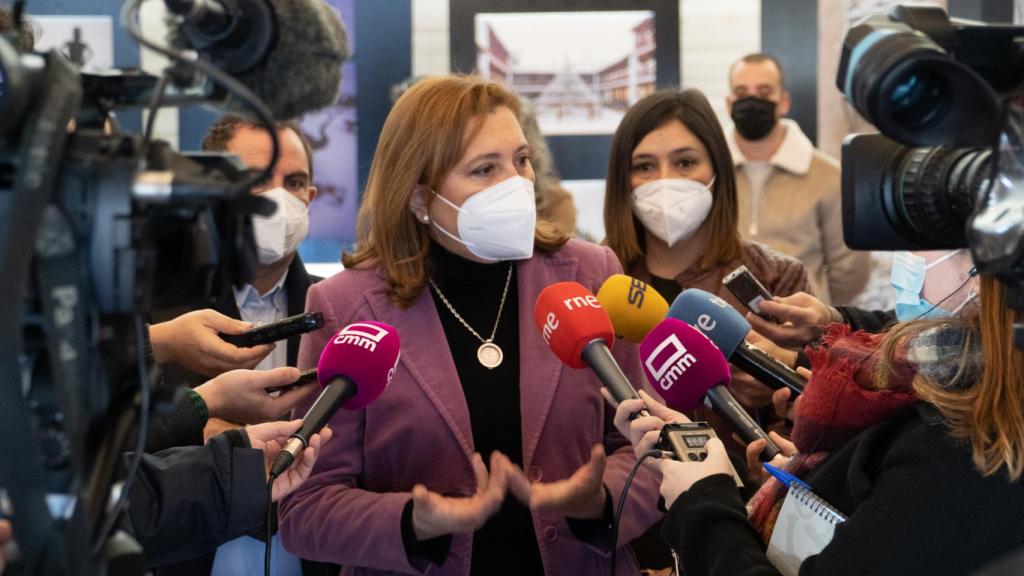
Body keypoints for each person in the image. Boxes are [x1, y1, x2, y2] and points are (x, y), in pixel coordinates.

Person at [278, 75, 661, 575]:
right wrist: (414, 522)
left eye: (521, 160)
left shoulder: (591, 275)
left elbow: (650, 447)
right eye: (484, 169)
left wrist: (601, 501)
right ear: (419, 198)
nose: (517, 184)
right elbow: (306, 509)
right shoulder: (344, 305)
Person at [608, 270, 1024, 575]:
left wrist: (701, 501)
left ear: (983, 269)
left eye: (925, 239)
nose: (907, 258)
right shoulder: (946, 386)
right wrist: (819, 480)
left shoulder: (960, 442)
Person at [150, 116, 322, 575]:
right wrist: (202, 429)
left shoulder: (341, 308)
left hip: (308, 548)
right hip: (187, 552)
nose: (278, 198)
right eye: (256, 180)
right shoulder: (154, 313)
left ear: (310, 197)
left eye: (294, 182)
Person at [604, 88, 811, 410]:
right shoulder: (597, 277)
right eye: (644, 166)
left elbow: (809, 412)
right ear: (623, 179)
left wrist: (771, 398)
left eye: (685, 162)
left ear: (718, 169)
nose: (665, 181)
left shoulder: (776, 275)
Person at [726, 53, 870, 306]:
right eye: (742, 92)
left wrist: (817, 305)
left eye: (764, 91)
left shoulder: (828, 176)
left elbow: (850, 268)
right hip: (723, 318)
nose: (752, 101)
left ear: (783, 102)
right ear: (729, 103)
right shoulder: (711, 173)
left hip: (802, 322)